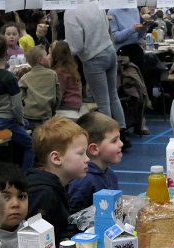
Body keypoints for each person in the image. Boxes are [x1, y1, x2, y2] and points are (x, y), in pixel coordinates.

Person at [64, 0, 129, 145]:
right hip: (110, 51)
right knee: (113, 95)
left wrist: (61, 46)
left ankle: (109, 138)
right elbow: (107, 27)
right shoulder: (95, 3)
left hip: (94, 57)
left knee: (103, 102)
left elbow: (75, 46)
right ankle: (123, 134)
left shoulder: (71, 12)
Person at [26, 116, 88, 245]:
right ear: (56, 158)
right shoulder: (43, 193)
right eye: (81, 153)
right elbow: (33, 240)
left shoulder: (58, 185)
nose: (87, 159)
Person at [0, 34, 34, 170]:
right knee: (31, 144)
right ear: (7, 52)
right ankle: (25, 175)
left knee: (26, 124)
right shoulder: (9, 77)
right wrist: (20, 120)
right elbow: (17, 106)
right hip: (5, 120)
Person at [68, 112, 124, 214]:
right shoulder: (83, 182)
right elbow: (73, 219)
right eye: (114, 141)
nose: (121, 144)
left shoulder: (110, 174)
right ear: (94, 149)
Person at [18, 45, 61, 128]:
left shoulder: (25, 77)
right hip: (46, 115)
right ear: (41, 60)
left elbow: (20, 97)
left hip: (29, 115)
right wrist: (53, 111)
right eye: (46, 55)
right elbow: (58, 96)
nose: (48, 57)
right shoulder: (53, 74)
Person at [50, 40, 83, 119]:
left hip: (66, 107)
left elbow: (59, 94)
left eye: (50, 54)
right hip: (76, 105)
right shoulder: (71, 69)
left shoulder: (60, 72)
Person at [109, 7, 147, 72]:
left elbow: (139, 36)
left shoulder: (134, 9)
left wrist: (143, 29)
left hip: (137, 50)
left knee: (140, 79)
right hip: (122, 52)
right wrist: (132, 29)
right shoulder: (112, 12)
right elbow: (115, 38)